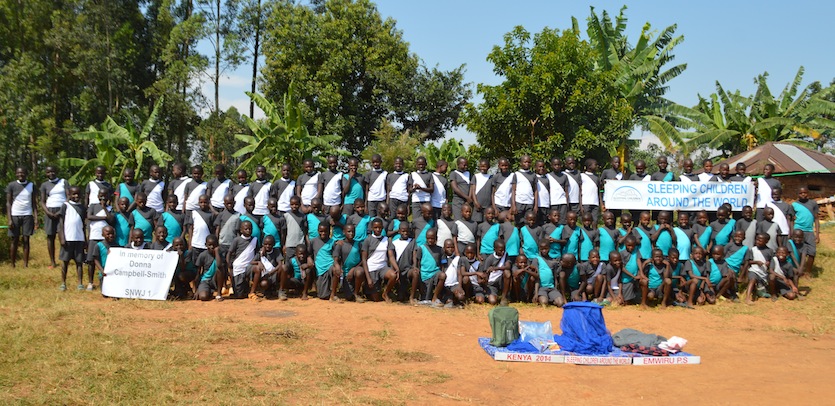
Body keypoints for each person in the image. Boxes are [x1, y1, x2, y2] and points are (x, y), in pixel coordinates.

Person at [6, 167, 37, 268]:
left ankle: (25, 264)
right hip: (15, 215)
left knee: (26, 239)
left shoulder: (31, 185)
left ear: (26, 174)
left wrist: (36, 218)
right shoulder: (12, 185)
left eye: (23, 173)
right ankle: (12, 264)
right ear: (16, 174)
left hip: (27, 215)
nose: (21, 175)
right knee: (14, 239)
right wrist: (9, 219)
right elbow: (8, 203)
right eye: (19, 173)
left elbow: (34, 203)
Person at [58, 186, 86, 291]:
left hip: (79, 238)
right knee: (65, 261)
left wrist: (85, 240)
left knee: (79, 262)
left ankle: (80, 283)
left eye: (78, 194)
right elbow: (61, 223)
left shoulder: (82, 208)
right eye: (73, 194)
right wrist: (62, 237)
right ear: (69, 194)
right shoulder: (65, 206)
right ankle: (63, 283)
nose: (76, 196)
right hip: (68, 238)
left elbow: (83, 224)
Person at [40, 165, 69, 268]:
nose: (50, 174)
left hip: (62, 210)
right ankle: (52, 262)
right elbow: (42, 201)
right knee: (50, 236)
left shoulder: (63, 182)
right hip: (50, 212)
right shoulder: (44, 185)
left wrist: (61, 210)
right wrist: (47, 212)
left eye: (52, 171)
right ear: (46, 173)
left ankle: (64, 259)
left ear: (56, 171)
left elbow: (68, 196)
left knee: (63, 236)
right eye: (48, 172)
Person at [410, 229, 446, 305]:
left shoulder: (440, 249)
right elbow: (418, 261)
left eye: (432, 238)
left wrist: (442, 271)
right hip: (424, 274)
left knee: (443, 276)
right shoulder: (421, 248)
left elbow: (442, 263)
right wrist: (416, 269)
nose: (430, 240)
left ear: (436, 238)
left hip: (435, 273)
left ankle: (435, 297)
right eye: (428, 238)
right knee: (425, 297)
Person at [791, 187, 820, 277]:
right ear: (798, 194)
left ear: (808, 193)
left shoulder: (813, 203)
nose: (803, 194)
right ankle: (798, 271)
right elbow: (791, 219)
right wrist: (792, 231)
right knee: (798, 251)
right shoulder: (794, 205)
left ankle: (808, 272)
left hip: (809, 231)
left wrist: (817, 234)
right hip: (798, 231)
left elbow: (816, 218)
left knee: (812, 252)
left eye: (805, 192)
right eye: (801, 193)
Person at [226, 220, 258, 299]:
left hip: (249, 266)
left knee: (257, 269)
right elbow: (229, 253)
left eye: (250, 229)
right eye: (246, 229)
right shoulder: (237, 240)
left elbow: (257, 252)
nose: (248, 231)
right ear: (241, 230)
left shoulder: (255, 240)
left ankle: (252, 292)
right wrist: (229, 265)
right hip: (239, 266)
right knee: (239, 295)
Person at [384, 222, 416, 302]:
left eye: (407, 231)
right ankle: (389, 293)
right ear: (399, 231)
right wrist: (396, 269)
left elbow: (414, 255)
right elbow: (391, 258)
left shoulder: (412, 242)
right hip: (397, 270)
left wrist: (414, 266)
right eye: (403, 231)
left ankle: (412, 297)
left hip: (408, 270)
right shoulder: (394, 243)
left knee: (415, 273)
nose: (405, 233)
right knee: (400, 298)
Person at [360, 219, 390, 302]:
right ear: (372, 228)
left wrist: (395, 268)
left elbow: (391, 256)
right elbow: (364, 259)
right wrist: (368, 278)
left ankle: (385, 293)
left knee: (393, 275)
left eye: (380, 227)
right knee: (376, 300)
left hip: (383, 267)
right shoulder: (368, 240)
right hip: (371, 268)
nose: (378, 229)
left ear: (382, 228)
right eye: (375, 227)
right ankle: (365, 288)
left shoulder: (386, 240)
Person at [310, 223, 339, 300]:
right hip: (320, 269)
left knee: (335, 270)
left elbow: (335, 256)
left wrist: (336, 265)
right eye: (321, 231)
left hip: (330, 266)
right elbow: (309, 254)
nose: (323, 233)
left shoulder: (332, 242)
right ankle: (326, 291)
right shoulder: (313, 241)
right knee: (322, 296)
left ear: (329, 232)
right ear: (318, 231)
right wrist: (309, 259)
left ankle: (333, 294)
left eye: (325, 231)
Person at [334, 224, 363, 301]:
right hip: (346, 274)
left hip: (356, 270)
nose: (351, 234)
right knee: (349, 297)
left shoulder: (358, 244)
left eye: (353, 232)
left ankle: (356, 294)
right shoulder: (340, 244)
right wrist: (338, 267)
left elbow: (363, 259)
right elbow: (336, 259)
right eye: (349, 231)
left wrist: (353, 269)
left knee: (359, 272)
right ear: (344, 232)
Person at [478, 239, 511, 305]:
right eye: (500, 250)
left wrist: (496, 268)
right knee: (493, 301)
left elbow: (508, 266)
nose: (502, 252)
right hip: (492, 283)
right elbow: (485, 274)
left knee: (507, 273)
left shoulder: (506, 255)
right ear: (495, 249)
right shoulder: (489, 259)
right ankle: (491, 295)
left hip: (501, 280)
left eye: (504, 250)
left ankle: (504, 298)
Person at [744, 233, 773, 304]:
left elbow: (772, 262)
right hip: (754, 270)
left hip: (763, 273)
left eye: (760, 240)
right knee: (752, 279)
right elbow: (748, 261)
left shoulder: (770, 251)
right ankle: (747, 298)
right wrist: (756, 262)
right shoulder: (753, 249)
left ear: (766, 241)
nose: (757, 242)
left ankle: (772, 293)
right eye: (757, 240)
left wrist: (768, 263)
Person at [534, 241, 564, 307]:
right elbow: (536, 278)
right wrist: (536, 293)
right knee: (544, 303)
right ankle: (546, 298)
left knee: (560, 303)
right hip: (541, 288)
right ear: (539, 249)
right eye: (542, 249)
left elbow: (555, 277)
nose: (544, 251)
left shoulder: (553, 261)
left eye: (546, 249)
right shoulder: (537, 260)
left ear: (549, 248)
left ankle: (551, 298)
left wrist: (556, 289)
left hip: (552, 288)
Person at [194, 235, 223, 301]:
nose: (212, 247)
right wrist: (197, 290)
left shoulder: (220, 254)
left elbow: (219, 265)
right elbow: (198, 273)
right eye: (210, 245)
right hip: (205, 280)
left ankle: (219, 293)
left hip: (216, 279)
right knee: (203, 297)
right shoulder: (202, 255)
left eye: (214, 245)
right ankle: (209, 292)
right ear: (206, 245)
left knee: (219, 270)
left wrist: (217, 253)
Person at [618, 235, 644, 305]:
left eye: (633, 246)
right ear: (625, 244)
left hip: (635, 277)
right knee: (626, 302)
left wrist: (641, 273)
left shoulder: (636, 250)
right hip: (626, 279)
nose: (631, 247)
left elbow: (638, 260)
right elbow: (622, 268)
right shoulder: (622, 253)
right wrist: (633, 276)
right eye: (629, 245)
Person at [513, 155, 537, 226]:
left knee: (528, 223)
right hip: (519, 202)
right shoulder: (516, 174)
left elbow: (535, 190)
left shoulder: (533, 175)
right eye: (525, 162)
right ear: (521, 163)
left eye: (529, 162)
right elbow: (513, 190)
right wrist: (513, 205)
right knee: (518, 223)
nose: (527, 164)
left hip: (529, 202)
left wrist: (535, 205)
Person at [91, 226, 116, 293]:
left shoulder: (116, 245)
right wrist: (102, 270)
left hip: (114, 273)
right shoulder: (98, 245)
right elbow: (95, 260)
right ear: (103, 235)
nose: (111, 236)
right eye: (108, 234)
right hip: (104, 273)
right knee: (105, 293)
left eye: (112, 234)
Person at [547, 158, 570, 224]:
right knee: (553, 221)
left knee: (562, 221)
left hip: (562, 202)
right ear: (551, 166)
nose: (557, 166)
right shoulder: (548, 176)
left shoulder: (564, 176)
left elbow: (566, 190)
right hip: (553, 202)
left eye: (558, 165)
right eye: (555, 165)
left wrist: (567, 201)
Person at [470, 158, 493, 223]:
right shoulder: (476, 176)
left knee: (486, 222)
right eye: (481, 166)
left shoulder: (491, 177)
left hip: (487, 205)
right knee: (476, 221)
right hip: (478, 204)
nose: (482, 168)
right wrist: (475, 202)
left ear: (488, 167)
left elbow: (492, 192)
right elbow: (473, 191)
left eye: (484, 166)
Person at [580, 158, 601, 224]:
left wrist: (601, 203)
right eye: (595, 165)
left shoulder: (597, 177)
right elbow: (579, 191)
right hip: (585, 202)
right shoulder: (582, 176)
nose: (597, 166)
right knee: (586, 220)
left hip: (595, 203)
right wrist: (581, 205)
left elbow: (599, 191)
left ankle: (594, 233)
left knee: (595, 220)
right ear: (589, 166)